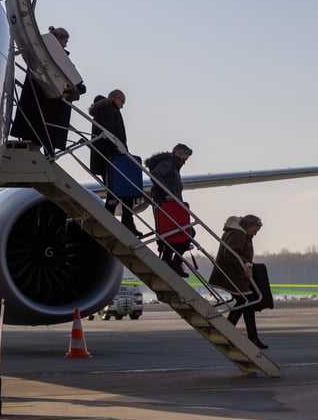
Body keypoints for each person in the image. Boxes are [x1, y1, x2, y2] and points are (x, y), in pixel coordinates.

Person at [10, 26, 86, 156]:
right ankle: (49, 154)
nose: (65, 45)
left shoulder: (39, 54)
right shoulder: (56, 57)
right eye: (65, 41)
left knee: (37, 132)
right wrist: (77, 87)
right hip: (49, 104)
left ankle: (48, 153)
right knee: (47, 133)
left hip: (39, 102)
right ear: (58, 39)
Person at [208, 214, 268, 349]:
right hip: (231, 274)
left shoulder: (238, 233)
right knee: (248, 301)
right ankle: (249, 337)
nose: (256, 233)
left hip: (233, 273)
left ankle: (231, 332)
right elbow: (230, 254)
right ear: (249, 226)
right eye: (256, 229)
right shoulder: (238, 234)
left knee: (245, 302)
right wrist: (246, 264)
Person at [89, 89, 141, 236]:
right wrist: (121, 151)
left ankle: (119, 221)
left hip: (109, 157)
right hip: (112, 158)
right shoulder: (108, 109)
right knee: (119, 190)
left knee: (117, 192)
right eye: (122, 101)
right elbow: (110, 134)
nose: (122, 106)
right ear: (116, 98)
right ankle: (121, 222)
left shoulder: (104, 110)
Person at [145, 143, 193, 276]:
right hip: (167, 205)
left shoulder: (175, 167)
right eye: (185, 156)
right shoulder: (168, 163)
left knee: (182, 233)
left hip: (173, 206)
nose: (186, 160)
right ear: (178, 153)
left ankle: (170, 261)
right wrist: (166, 192)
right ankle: (172, 262)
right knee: (186, 233)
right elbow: (155, 174)